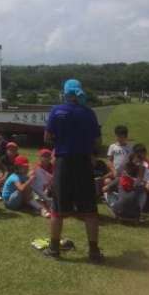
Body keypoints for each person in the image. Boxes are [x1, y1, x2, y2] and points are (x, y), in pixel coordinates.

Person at [43, 78, 103, 262]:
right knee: (90, 210)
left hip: (64, 162)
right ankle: (94, 251)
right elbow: (98, 141)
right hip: (84, 163)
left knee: (57, 209)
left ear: (65, 92)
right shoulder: (89, 113)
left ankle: (54, 249)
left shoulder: (57, 111)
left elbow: (47, 137)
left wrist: (61, 142)